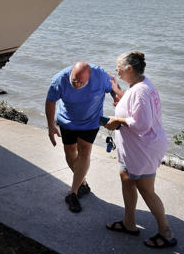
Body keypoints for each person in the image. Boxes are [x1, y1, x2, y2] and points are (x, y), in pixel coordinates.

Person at [105, 51, 177, 249]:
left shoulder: (140, 90)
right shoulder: (139, 85)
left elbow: (142, 124)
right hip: (135, 147)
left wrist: (118, 120)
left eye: (118, 69)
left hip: (145, 147)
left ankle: (166, 233)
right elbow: (136, 109)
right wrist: (118, 92)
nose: (116, 71)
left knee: (146, 190)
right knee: (126, 178)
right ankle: (129, 223)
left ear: (129, 68)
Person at [46, 61, 122, 213]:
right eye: (75, 81)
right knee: (70, 153)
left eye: (82, 82)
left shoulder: (100, 75)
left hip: (91, 121)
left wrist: (116, 97)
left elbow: (113, 87)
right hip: (67, 121)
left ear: (90, 77)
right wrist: (51, 126)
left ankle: (72, 193)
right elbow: (50, 102)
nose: (78, 84)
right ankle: (83, 183)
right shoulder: (59, 79)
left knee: (85, 152)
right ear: (70, 74)